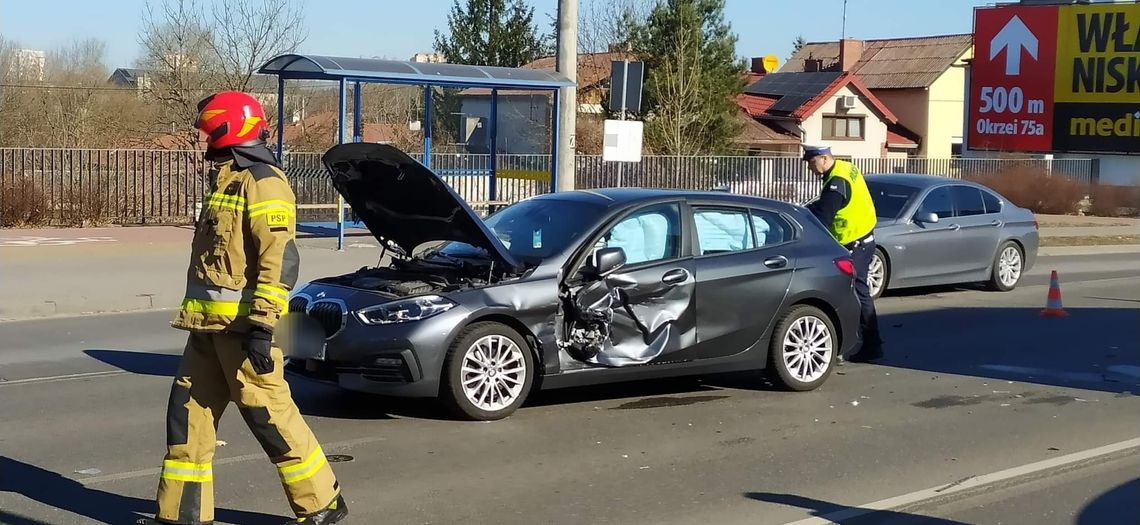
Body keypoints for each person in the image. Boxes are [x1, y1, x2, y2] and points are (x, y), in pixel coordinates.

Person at [138, 91, 348, 525]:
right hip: (208, 330)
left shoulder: (264, 181)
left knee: (270, 420)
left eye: (209, 131)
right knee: (187, 423)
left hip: (245, 331)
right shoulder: (227, 178)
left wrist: (263, 328)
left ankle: (322, 505)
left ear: (227, 129)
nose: (204, 140)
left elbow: (280, 260)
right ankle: (182, 517)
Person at [802, 145, 883, 363]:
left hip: (854, 242)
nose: (810, 168)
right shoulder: (846, 168)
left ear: (823, 158)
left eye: (811, 163)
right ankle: (865, 342)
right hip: (864, 236)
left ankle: (870, 344)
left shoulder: (836, 184)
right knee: (856, 290)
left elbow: (823, 218)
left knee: (855, 291)